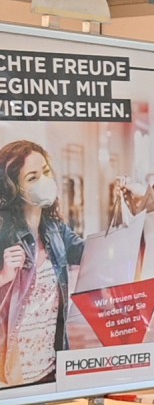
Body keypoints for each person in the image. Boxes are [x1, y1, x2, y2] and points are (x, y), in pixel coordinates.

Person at [0, 140, 83, 386]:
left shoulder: (56, 231)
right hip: (10, 373)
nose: (45, 181)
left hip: (51, 368)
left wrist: (134, 205)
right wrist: (4, 274)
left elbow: (93, 255)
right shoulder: (3, 234)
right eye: (33, 177)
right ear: (13, 188)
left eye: (45, 172)